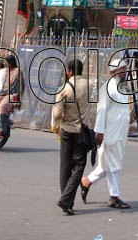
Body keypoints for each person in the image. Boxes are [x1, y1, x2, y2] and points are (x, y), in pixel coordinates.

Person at [81, 51, 133, 209]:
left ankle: (87, 181)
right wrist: (99, 132)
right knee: (112, 164)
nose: (125, 73)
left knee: (109, 164)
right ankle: (114, 196)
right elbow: (102, 111)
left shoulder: (121, 88)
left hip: (119, 133)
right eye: (123, 70)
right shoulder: (108, 88)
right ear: (115, 72)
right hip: (109, 133)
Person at [53, 58, 91, 216]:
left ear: (69, 71)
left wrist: (59, 118)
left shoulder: (63, 89)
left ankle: (66, 198)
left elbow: (57, 114)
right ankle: (66, 200)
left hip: (67, 130)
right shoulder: (89, 85)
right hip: (81, 131)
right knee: (79, 165)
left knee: (65, 165)